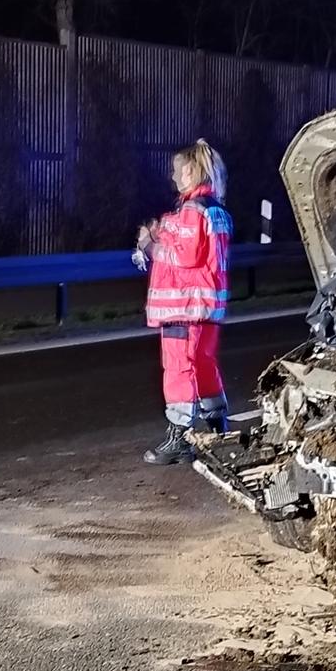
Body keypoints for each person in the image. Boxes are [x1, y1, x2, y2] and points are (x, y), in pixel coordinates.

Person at [134, 139, 233, 465]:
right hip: (205, 308)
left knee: (178, 369)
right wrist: (161, 231)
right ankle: (218, 427)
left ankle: (179, 438)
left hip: (184, 308)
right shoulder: (213, 210)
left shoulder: (193, 211)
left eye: (178, 171)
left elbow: (184, 257)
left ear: (191, 171)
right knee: (203, 364)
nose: (174, 178)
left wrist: (149, 245)